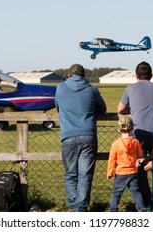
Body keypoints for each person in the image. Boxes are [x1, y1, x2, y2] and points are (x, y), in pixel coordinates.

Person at [117, 61, 153, 211]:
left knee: (139, 171)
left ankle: (145, 207)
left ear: (136, 75)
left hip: (138, 133)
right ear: (151, 75)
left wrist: (133, 107)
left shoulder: (130, 88)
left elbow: (120, 109)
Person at [55, 63, 107, 212]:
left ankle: (73, 207)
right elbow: (102, 109)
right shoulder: (92, 89)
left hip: (68, 135)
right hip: (88, 135)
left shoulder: (60, 88)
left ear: (69, 75)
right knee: (85, 175)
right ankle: (81, 208)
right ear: (84, 75)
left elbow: (58, 106)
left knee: (70, 174)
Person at [107, 117, 149, 212]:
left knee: (116, 194)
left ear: (119, 130)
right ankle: (142, 210)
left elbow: (111, 160)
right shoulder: (135, 142)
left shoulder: (116, 144)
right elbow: (140, 156)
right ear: (132, 129)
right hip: (133, 172)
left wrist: (110, 172)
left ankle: (112, 210)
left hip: (120, 173)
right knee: (136, 193)